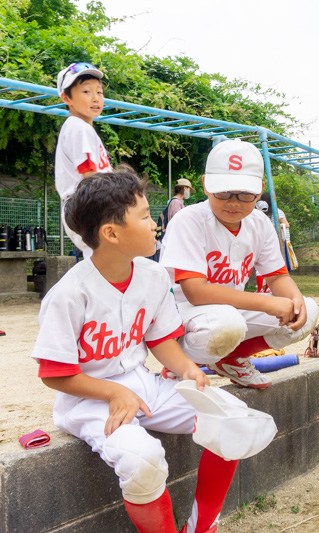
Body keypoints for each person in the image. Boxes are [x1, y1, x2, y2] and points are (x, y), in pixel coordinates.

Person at [32, 170, 254, 533]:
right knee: (144, 460)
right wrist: (115, 393)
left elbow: (160, 339)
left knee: (232, 418)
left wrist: (186, 368)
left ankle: (201, 527)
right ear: (111, 233)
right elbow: (56, 373)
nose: (156, 224)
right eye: (147, 215)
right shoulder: (69, 293)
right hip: (90, 398)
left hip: (141, 384)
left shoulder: (153, 275)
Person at [159, 139, 318, 389]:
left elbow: (277, 277)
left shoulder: (260, 223)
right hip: (182, 311)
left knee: (306, 312)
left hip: (228, 308)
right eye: (223, 192)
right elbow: (196, 291)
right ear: (205, 185)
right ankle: (178, 363)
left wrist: (294, 299)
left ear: (260, 189)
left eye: (245, 194)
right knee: (226, 325)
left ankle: (232, 360)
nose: (233, 202)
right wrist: (267, 302)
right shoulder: (189, 220)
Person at [54, 62, 112, 258]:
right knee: (108, 265)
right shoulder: (78, 127)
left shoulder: (76, 127)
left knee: (100, 263)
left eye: (99, 92)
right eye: (86, 91)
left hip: (82, 207)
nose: (95, 98)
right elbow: (89, 174)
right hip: (91, 206)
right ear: (66, 97)